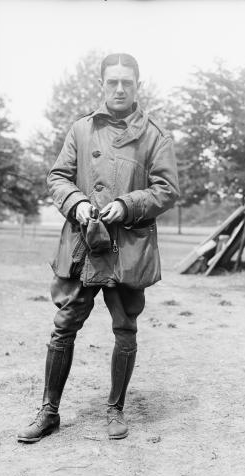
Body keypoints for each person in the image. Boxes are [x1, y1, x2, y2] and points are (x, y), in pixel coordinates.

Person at [17, 53, 179, 443]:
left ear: (138, 85)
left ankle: (115, 410)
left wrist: (126, 204)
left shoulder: (155, 135)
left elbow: (167, 190)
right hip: (83, 246)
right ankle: (49, 411)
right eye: (112, 82)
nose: (119, 88)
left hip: (128, 247)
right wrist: (77, 202)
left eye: (127, 82)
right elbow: (57, 177)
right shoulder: (80, 130)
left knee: (125, 330)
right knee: (63, 327)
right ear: (102, 85)